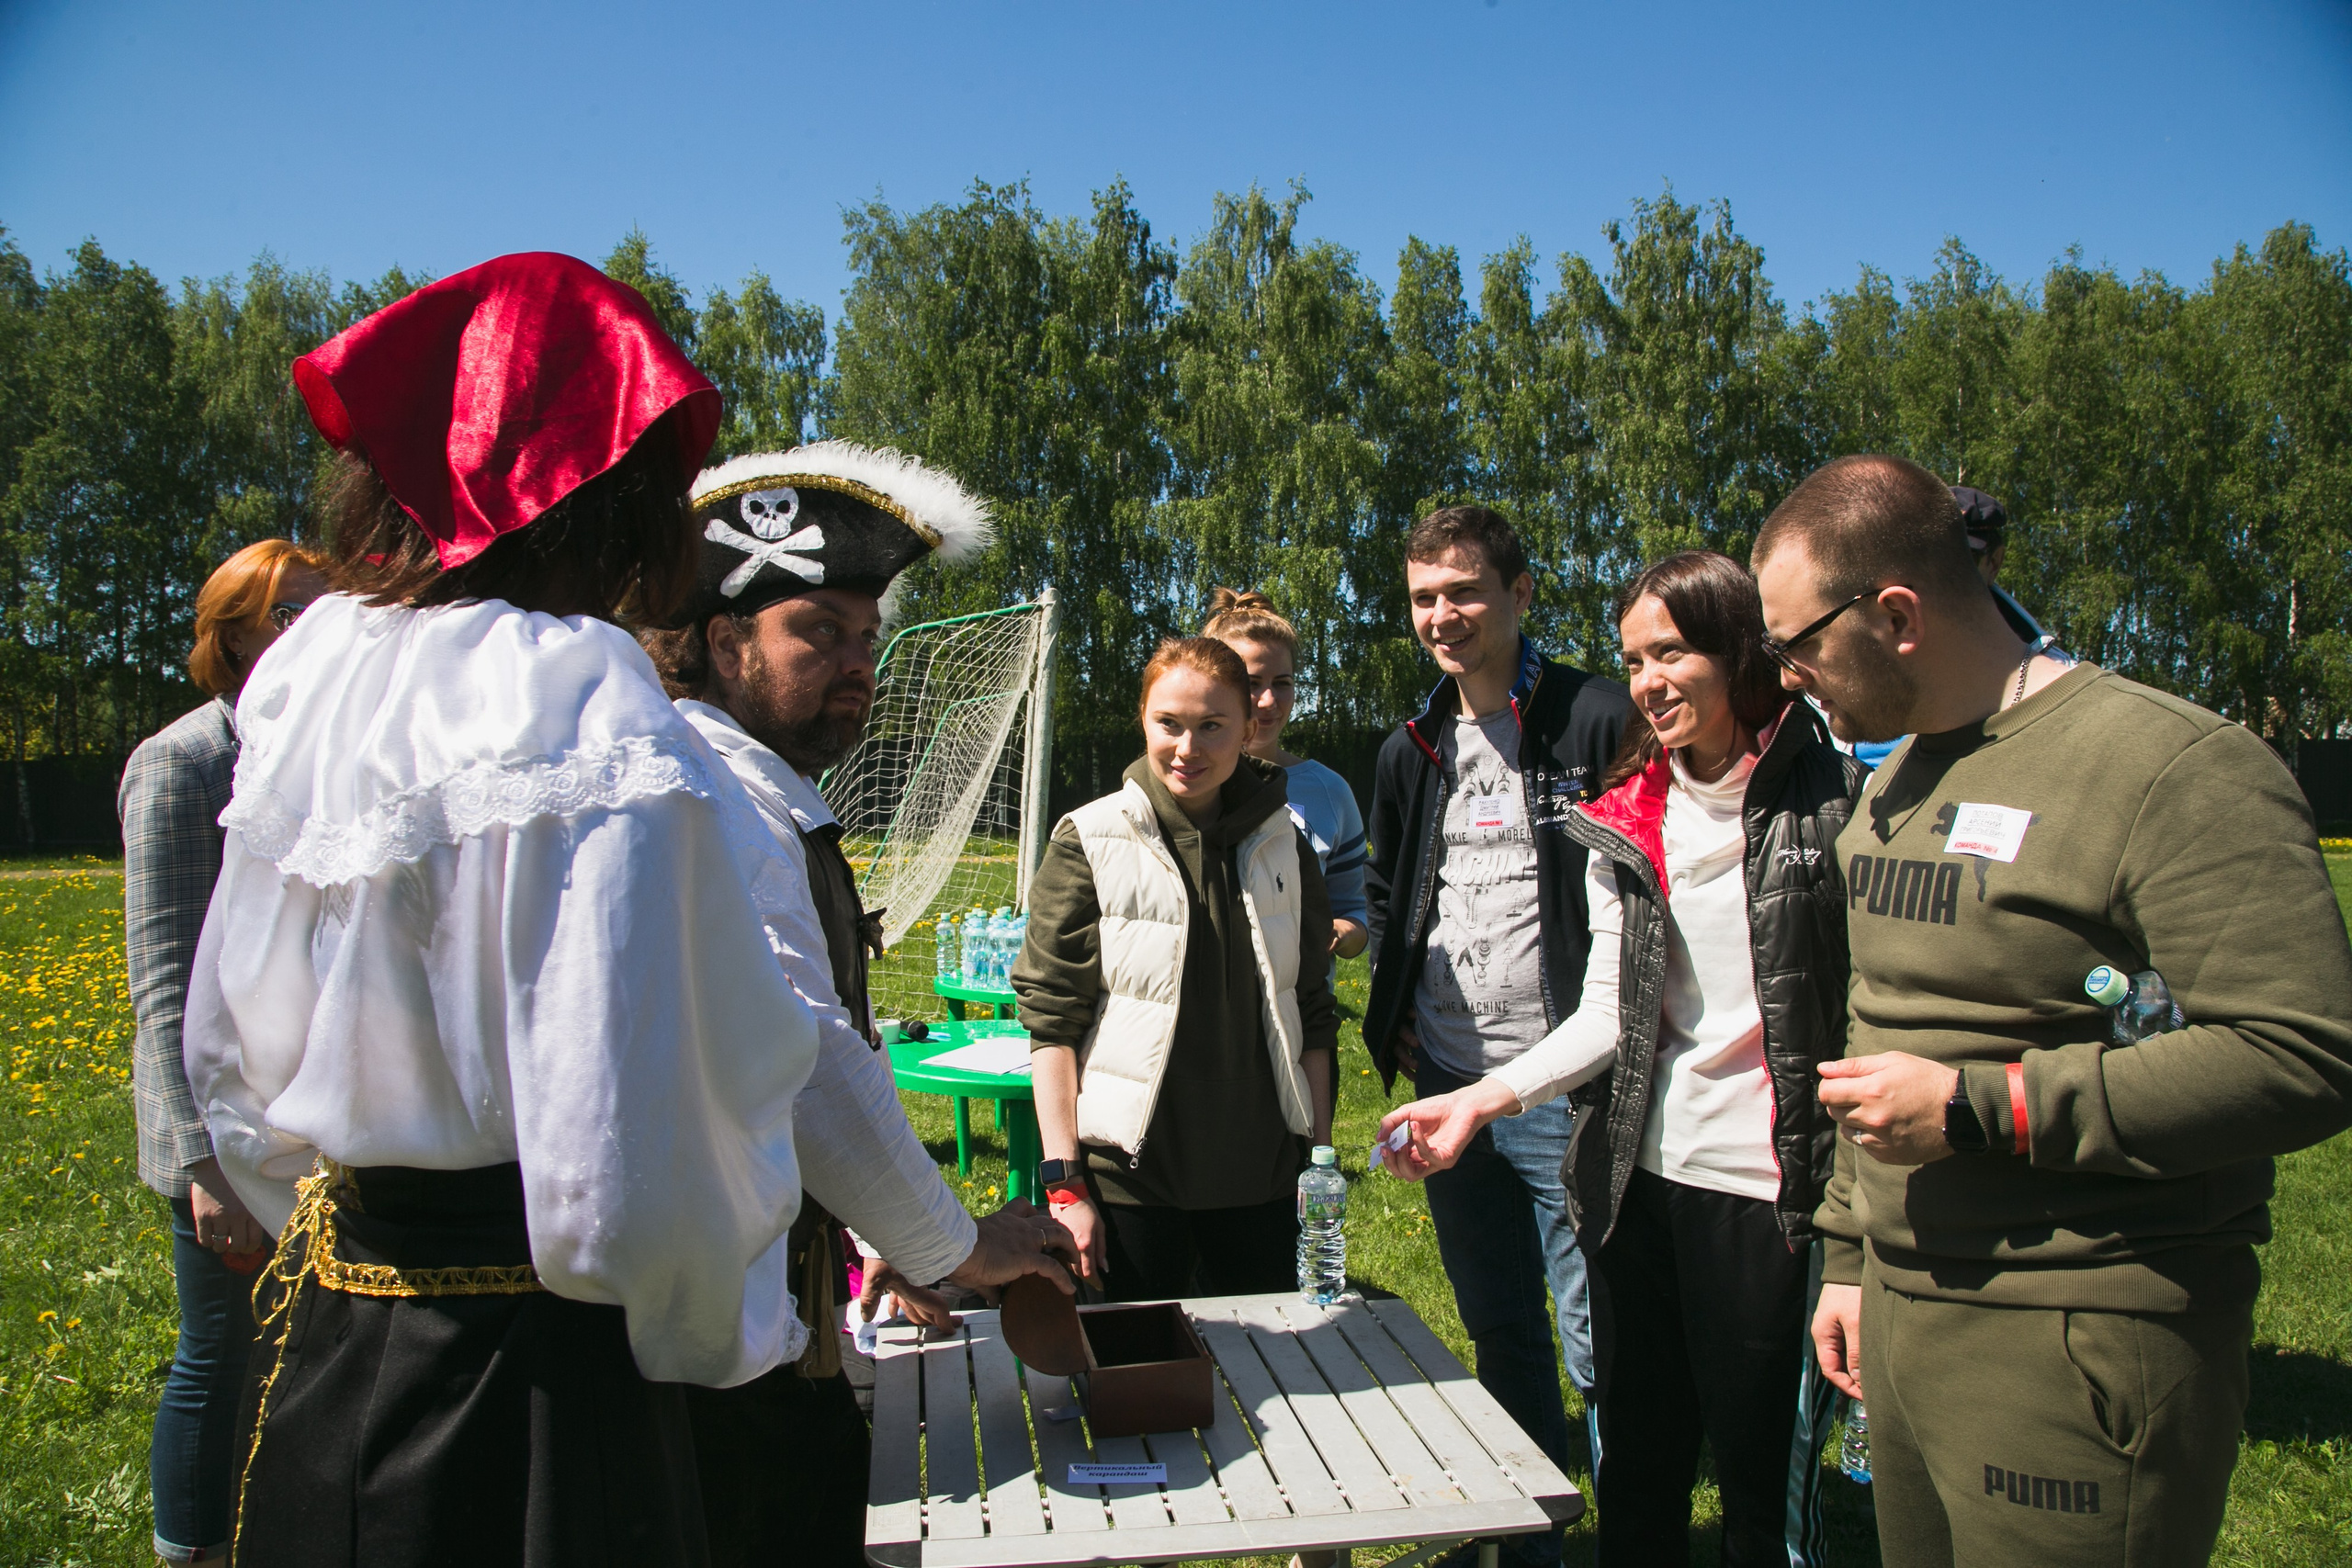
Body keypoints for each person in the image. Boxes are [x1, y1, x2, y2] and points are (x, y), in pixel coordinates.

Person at [181, 254, 1069, 1568]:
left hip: (340, 1315)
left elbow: (234, 1042)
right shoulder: (581, 691)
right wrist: (741, 1324)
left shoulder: (326, 666)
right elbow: (628, 1138)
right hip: (534, 1362)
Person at [1751, 452, 2352, 1568]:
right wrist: (1847, 1261)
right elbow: (1876, 1032)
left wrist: (1988, 1109)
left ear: (1895, 615)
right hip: (1906, 1317)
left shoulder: (2173, 768)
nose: (1786, 678)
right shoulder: (1891, 787)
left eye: (1797, 645)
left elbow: (2302, 1051)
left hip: (2080, 1334)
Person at [1376, 550, 1862, 1568]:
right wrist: (1482, 1101)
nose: (1647, 682)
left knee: (1760, 1500)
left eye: (1672, 653)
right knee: (1638, 1488)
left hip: (1767, 1197)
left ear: (1741, 649)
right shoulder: (1630, 806)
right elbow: (1608, 1008)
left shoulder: (1838, 803)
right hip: (1635, 1184)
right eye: (1635, 659)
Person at [638, 443, 1023, 1566]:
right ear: (721, 640)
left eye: (866, 639)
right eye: (818, 633)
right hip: (712, 1345)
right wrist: (957, 1245)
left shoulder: (752, 790)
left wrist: (884, 1241)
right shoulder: (719, 800)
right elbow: (803, 1064)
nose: (858, 664)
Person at [1362, 505, 1630, 1568]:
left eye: (1465, 591)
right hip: (1448, 1090)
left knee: (1597, 1347)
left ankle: (1632, 1538)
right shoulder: (1409, 744)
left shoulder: (1594, 719)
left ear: (1520, 594)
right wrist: (1415, 1045)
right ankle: (1529, 1548)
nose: (1443, 615)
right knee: (1501, 1333)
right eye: (1425, 596)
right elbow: (1389, 892)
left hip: (1569, 1084)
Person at [1013, 636, 1340, 1297]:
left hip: (1264, 1176)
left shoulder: (1285, 844)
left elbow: (1313, 1012)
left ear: (1249, 728)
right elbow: (1053, 1024)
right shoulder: (1090, 839)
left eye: (1212, 726)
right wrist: (1064, 1180)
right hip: (1129, 1181)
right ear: (1143, 719)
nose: (1188, 748)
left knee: (1272, 1376)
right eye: (1169, 723)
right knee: (1139, 1378)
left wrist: (1320, 1162)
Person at [119, 537, 328, 1568]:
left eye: (327, 610)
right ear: (231, 635)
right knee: (219, 1352)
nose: (313, 631)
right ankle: (190, 1551)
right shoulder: (185, 760)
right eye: (289, 613)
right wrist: (201, 1162)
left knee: (298, 1353)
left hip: (309, 1118)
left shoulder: (327, 754)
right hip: (220, 1134)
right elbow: (161, 984)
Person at [1201, 587, 1370, 964]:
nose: (1268, 701)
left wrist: (1339, 932)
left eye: (1282, 683)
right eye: (1251, 683)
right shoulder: (1185, 783)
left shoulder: (1330, 791)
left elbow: (1359, 910)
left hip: (1301, 1013)